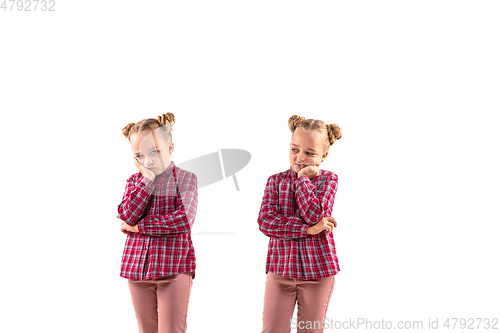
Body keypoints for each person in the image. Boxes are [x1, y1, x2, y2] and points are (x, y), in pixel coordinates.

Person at [258, 115, 342, 333]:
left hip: (318, 272)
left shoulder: (328, 179)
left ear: (323, 155)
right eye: (295, 150)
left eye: (309, 153)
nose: (300, 158)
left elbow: (315, 214)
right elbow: (266, 222)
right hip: (280, 270)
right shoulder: (274, 181)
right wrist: (308, 230)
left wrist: (302, 179)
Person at [117, 112, 198, 333]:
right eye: (140, 155)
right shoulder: (134, 182)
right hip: (137, 270)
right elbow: (127, 215)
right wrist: (148, 180)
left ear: (170, 148)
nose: (148, 160)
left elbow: (182, 220)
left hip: (173, 268)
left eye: (154, 152)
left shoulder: (186, 179)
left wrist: (138, 228)